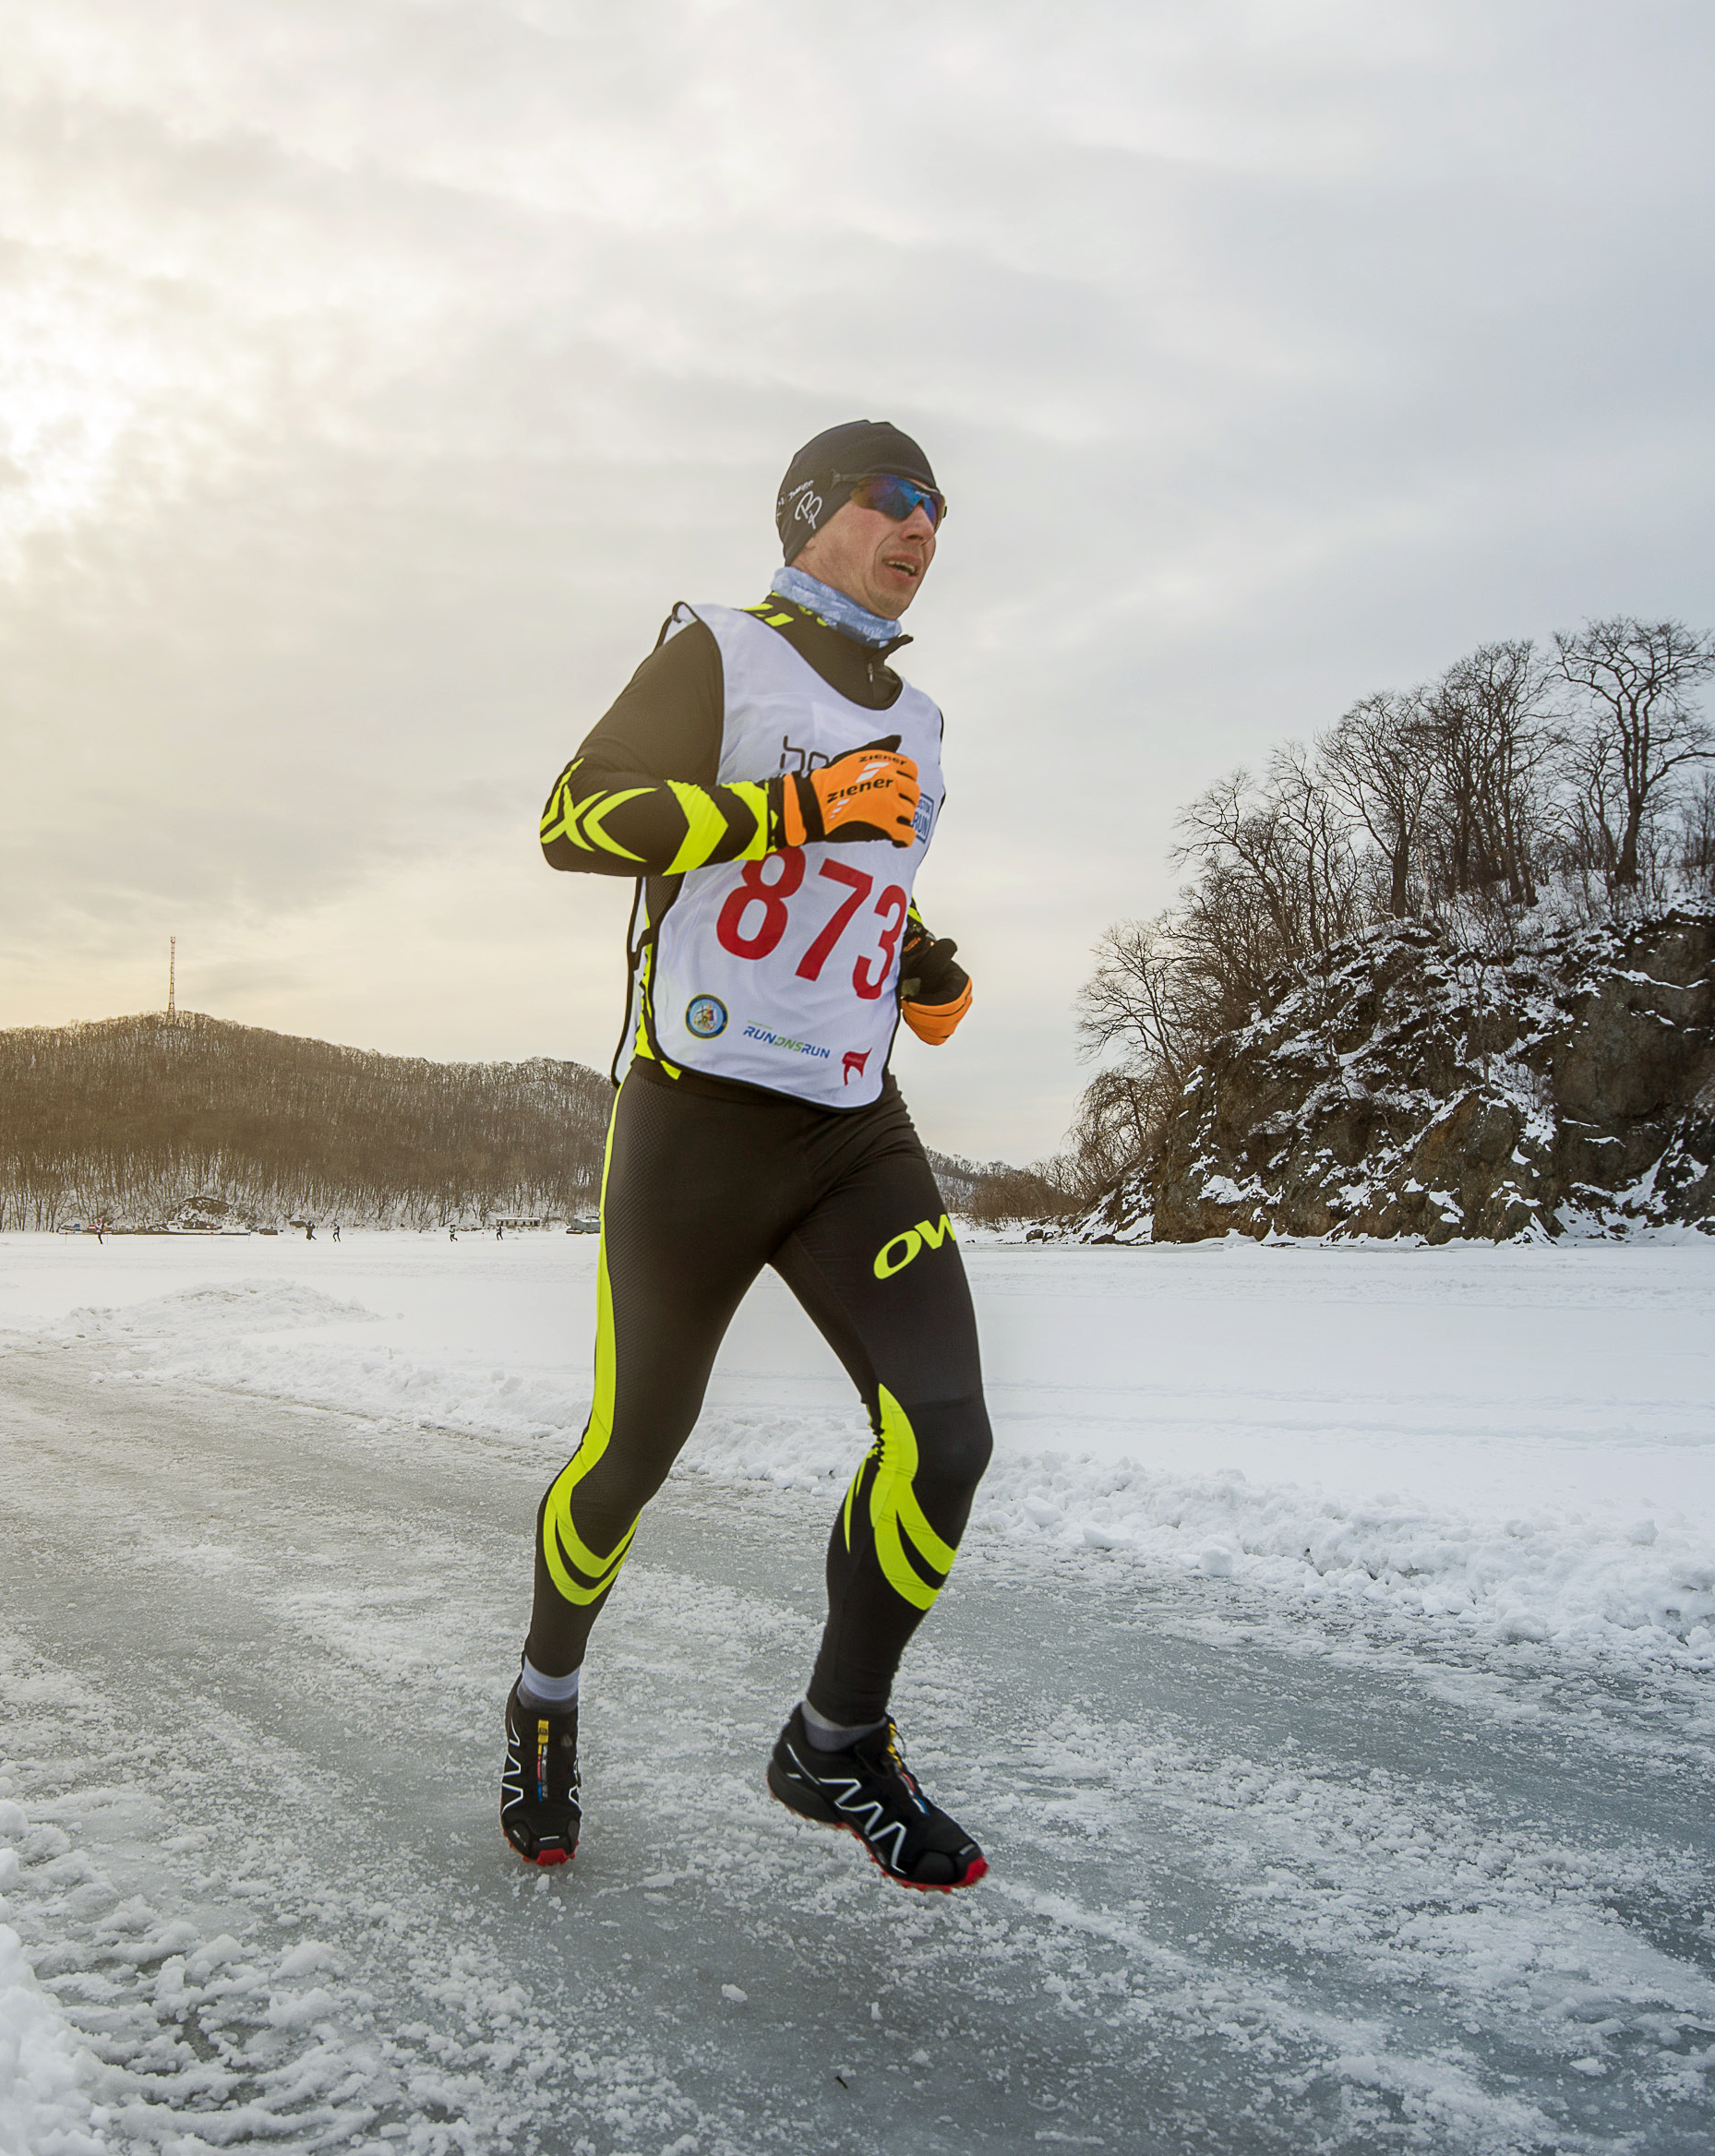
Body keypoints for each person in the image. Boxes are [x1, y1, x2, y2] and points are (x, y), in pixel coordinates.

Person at [500, 420, 989, 1890]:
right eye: (893, 501)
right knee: (633, 1451)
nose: (921, 528)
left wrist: (919, 962)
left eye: (937, 510)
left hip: (852, 1130)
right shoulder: (717, 651)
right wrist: (793, 801)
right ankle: (545, 1700)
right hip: (694, 1123)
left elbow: (852, 888)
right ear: (811, 513)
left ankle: (834, 1740)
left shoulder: (925, 723)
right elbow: (575, 822)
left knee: (946, 1437)